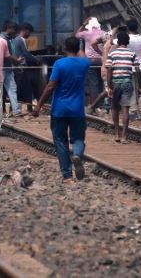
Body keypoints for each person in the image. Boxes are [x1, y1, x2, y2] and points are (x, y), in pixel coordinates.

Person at [32, 36, 89, 183]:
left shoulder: (59, 64)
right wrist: (79, 46)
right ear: (78, 49)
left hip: (59, 109)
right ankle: (77, 155)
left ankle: (67, 176)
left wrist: (39, 105)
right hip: (77, 110)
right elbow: (82, 55)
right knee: (78, 138)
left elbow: (50, 86)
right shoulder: (84, 64)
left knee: (60, 141)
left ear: (64, 48)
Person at [103, 31, 138, 143]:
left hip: (115, 82)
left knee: (114, 108)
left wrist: (109, 86)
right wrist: (140, 86)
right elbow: (137, 70)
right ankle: (124, 137)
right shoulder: (132, 53)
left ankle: (116, 134)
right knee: (125, 109)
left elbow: (109, 70)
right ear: (127, 42)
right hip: (127, 82)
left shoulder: (112, 53)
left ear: (118, 41)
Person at [75, 17, 105, 111]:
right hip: (101, 60)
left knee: (93, 84)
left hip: (91, 61)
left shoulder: (86, 33)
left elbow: (76, 35)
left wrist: (83, 25)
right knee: (102, 83)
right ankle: (102, 104)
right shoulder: (103, 33)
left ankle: (96, 106)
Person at [10, 23, 41, 110]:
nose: (30, 35)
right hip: (21, 68)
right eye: (29, 32)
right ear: (25, 30)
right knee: (26, 88)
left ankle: (17, 107)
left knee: (19, 88)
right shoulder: (20, 40)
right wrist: (37, 60)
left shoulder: (15, 39)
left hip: (17, 67)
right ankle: (26, 108)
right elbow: (26, 54)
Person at [1, 21, 23, 118]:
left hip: (7, 67)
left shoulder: (7, 39)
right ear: (9, 28)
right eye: (15, 30)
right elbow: (6, 55)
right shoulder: (3, 39)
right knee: (1, 90)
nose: (16, 33)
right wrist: (16, 61)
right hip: (2, 67)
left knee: (12, 89)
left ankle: (16, 110)